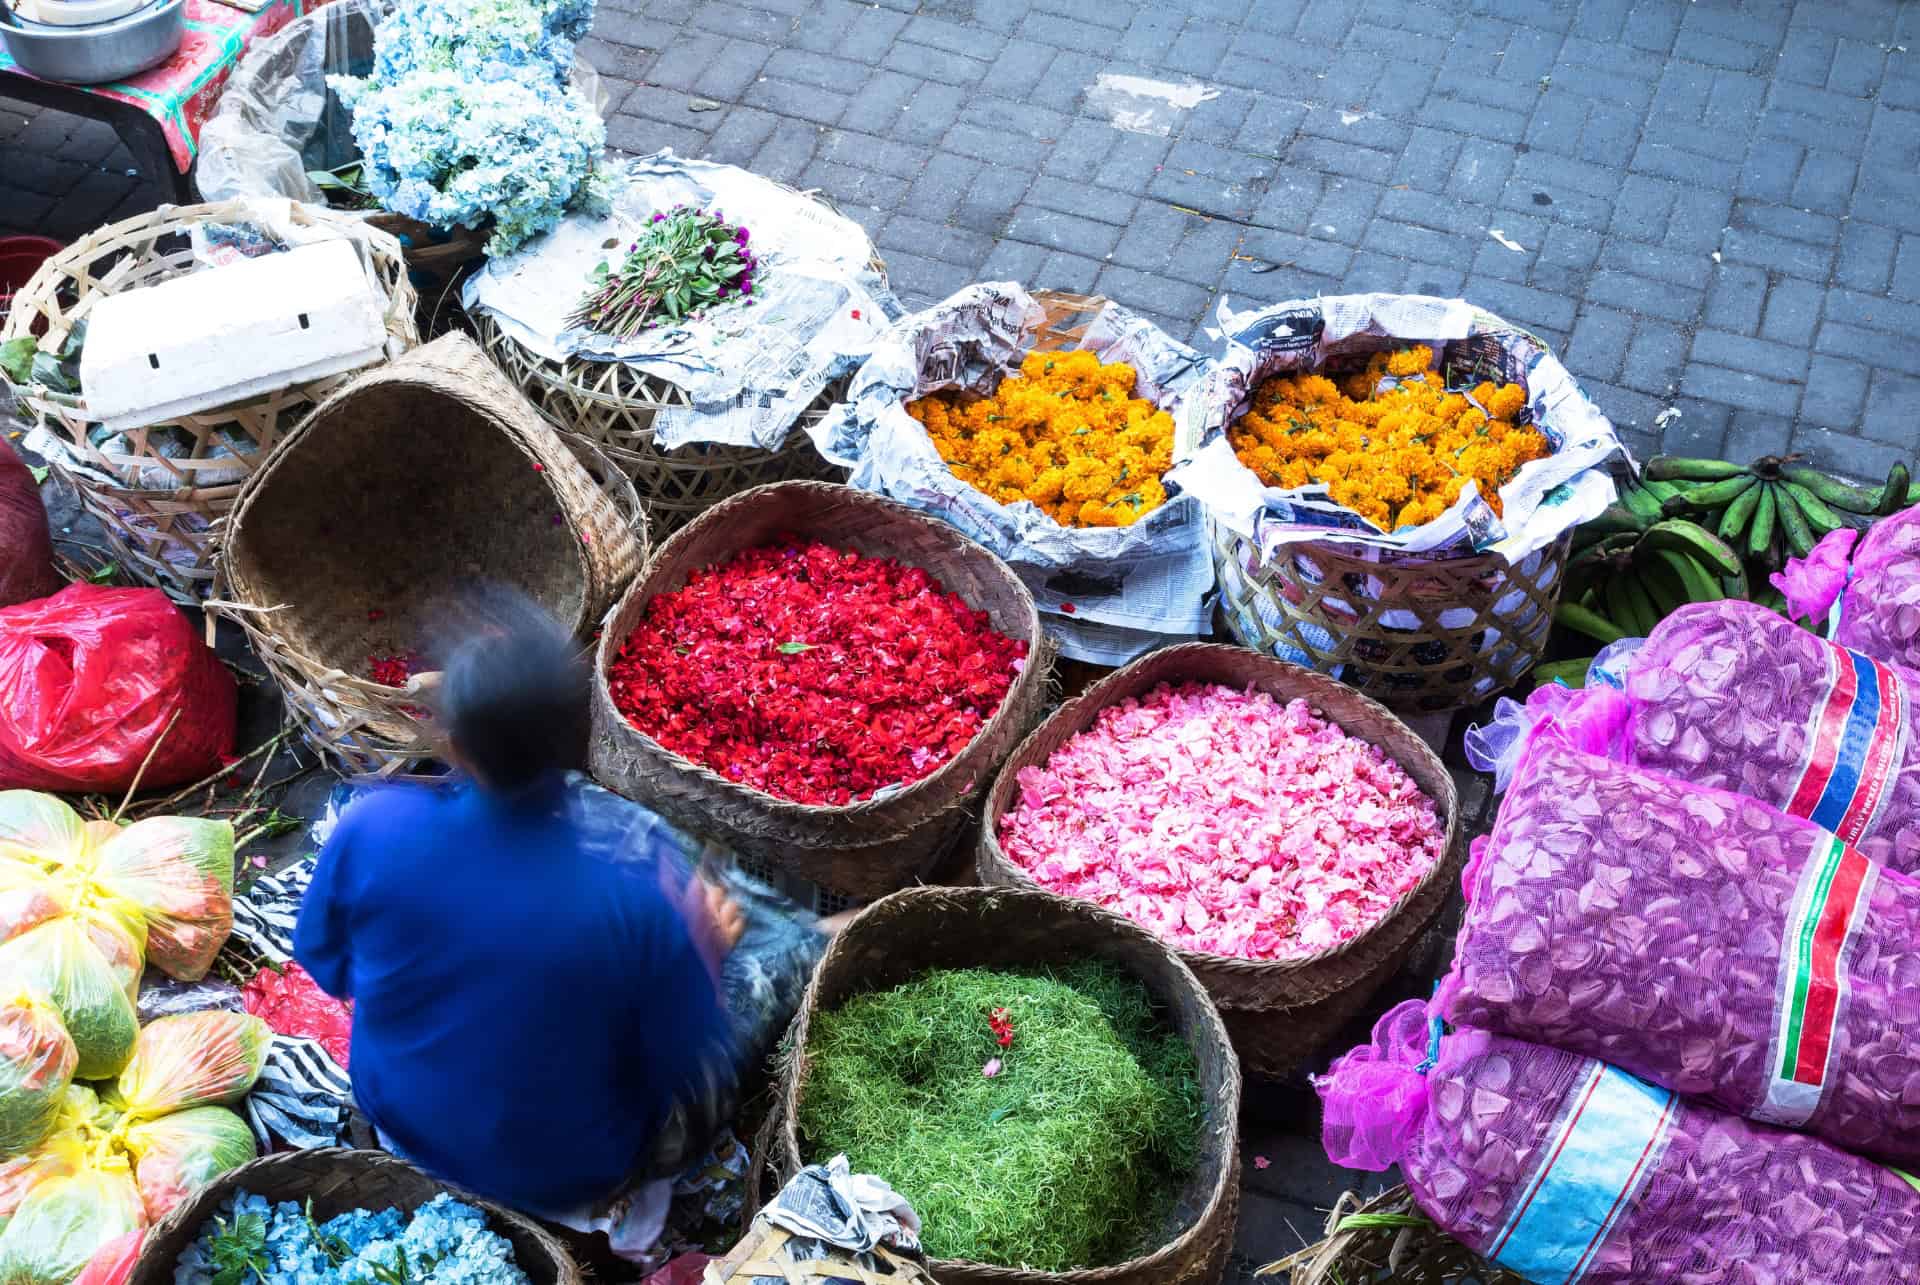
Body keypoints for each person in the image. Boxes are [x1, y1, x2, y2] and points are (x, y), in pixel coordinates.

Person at [295, 593, 827, 1259]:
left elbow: (325, 964)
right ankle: (831, 930)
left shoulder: (371, 826)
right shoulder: (633, 899)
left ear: (453, 743)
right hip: (568, 1175)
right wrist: (703, 952)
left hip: (396, 1112)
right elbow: (674, 1063)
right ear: (581, 741)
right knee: (781, 949)